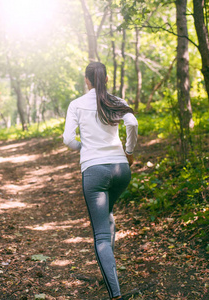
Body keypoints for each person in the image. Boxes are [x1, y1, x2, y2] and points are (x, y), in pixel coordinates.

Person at [63, 61, 138, 300]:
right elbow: (133, 123)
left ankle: (114, 294)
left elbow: (67, 139)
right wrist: (129, 151)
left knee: (101, 235)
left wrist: (83, 147)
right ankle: (109, 271)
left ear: (87, 80)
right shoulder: (116, 102)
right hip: (120, 170)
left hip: (94, 171)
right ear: (105, 79)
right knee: (107, 215)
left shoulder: (76, 104)